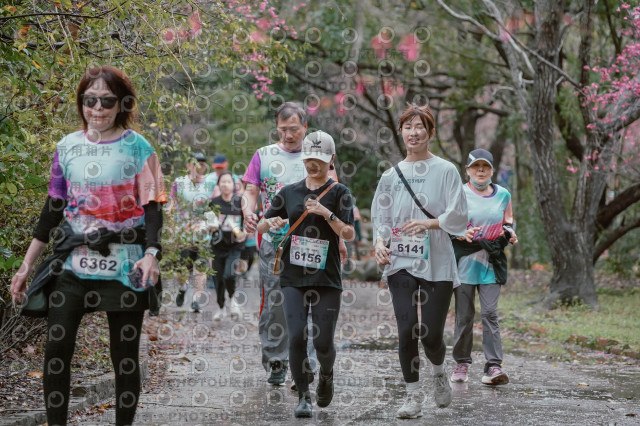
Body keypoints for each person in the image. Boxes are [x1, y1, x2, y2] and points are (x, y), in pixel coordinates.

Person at [9, 65, 166, 426]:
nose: (97, 108)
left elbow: (153, 208)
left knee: (124, 356)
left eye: (107, 101)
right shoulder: (67, 147)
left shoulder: (139, 148)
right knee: (56, 351)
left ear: (122, 103)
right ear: (81, 102)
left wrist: (152, 255)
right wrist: (26, 265)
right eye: (89, 99)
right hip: (74, 264)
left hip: (125, 265)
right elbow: (53, 209)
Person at [371, 103, 468, 419]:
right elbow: (381, 216)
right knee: (407, 329)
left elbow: (459, 215)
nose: (413, 133)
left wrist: (429, 223)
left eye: (419, 127)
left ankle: (438, 371)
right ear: (401, 132)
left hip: (437, 260)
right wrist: (379, 242)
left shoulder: (446, 170)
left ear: (430, 132)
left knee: (430, 333)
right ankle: (412, 397)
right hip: (400, 260)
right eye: (408, 127)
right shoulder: (390, 175)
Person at [242, 102, 347, 386]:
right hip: (275, 245)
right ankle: (276, 360)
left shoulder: (318, 155)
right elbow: (250, 190)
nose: (288, 135)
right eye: (282, 129)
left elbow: (335, 198)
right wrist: (248, 211)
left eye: (294, 129)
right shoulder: (263, 155)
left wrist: (339, 240)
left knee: (311, 305)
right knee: (276, 304)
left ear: (305, 127)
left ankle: (305, 365)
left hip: (315, 245)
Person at [258, 131, 354, 417]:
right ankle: (303, 396)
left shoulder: (340, 192)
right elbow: (262, 225)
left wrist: (326, 213)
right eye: (309, 158)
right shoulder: (290, 191)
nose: (313, 164)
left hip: (327, 276)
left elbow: (349, 232)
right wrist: (270, 223)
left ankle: (326, 373)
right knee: (297, 335)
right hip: (293, 274)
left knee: (323, 342)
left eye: (320, 160)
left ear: (331, 159)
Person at [450, 149, 518, 386]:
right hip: (464, 261)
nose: (481, 171)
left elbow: (508, 221)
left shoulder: (503, 194)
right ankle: (461, 363)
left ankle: (494, 366)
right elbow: (448, 223)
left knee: (490, 313)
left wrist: (509, 233)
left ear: (492, 170)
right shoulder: (458, 193)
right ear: (467, 170)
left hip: (491, 261)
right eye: (476, 167)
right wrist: (461, 232)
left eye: (485, 167)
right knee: (464, 315)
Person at [168, 152, 216, 313]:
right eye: (196, 163)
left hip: (203, 233)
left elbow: (214, 206)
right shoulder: (179, 182)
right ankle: (182, 288)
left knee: (201, 266)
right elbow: (172, 205)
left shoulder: (210, 184)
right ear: (189, 165)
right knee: (183, 268)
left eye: (202, 164)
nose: (199, 166)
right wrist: (171, 226)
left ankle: (196, 299)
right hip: (183, 233)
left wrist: (213, 222)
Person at [208, 171, 246, 321]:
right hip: (217, 246)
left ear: (234, 185)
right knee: (218, 279)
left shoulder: (240, 202)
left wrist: (245, 232)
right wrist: (211, 226)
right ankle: (221, 307)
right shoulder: (213, 202)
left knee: (229, 275)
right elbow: (208, 222)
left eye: (228, 181)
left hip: (235, 246)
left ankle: (233, 299)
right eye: (222, 182)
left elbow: (248, 221)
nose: (225, 184)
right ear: (218, 184)